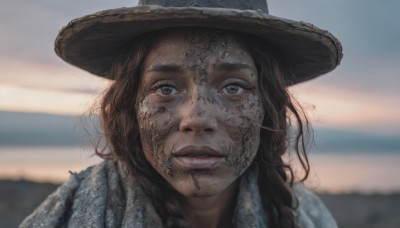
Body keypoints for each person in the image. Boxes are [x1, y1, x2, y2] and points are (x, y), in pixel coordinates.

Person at [20, 0, 342, 227]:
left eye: (233, 87)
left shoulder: (308, 218)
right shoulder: (65, 218)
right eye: (165, 88)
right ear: (131, 105)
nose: (197, 119)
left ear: (267, 107)